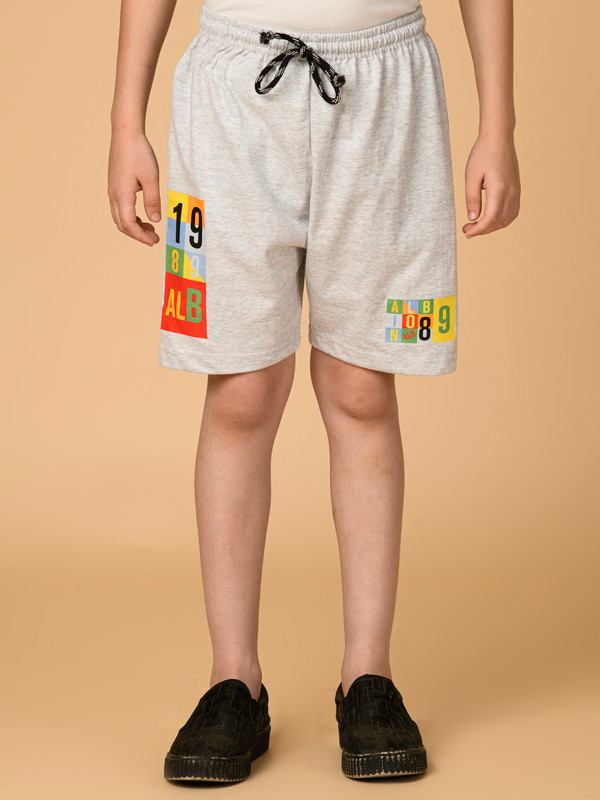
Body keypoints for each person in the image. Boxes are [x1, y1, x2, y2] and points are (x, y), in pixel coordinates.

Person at [108, 0, 520, 783]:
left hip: (387, 96)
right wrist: (127, 121)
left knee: (363, 387)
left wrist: (497, 123)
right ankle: (233, 681)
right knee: (240, 391)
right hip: (230, 98)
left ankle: (369, 677)